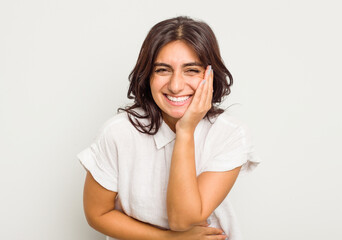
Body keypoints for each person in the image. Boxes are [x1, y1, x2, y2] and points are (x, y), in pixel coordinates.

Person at [77, 16, 260, 240]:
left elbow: (183, 219)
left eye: (191, 70)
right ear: (148, 77)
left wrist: (185, 131)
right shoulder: (118, 133)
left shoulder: (230, 133)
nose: (175, 86)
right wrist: (168, 239)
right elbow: (98, 213)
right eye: (163, 70)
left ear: (210, 76)